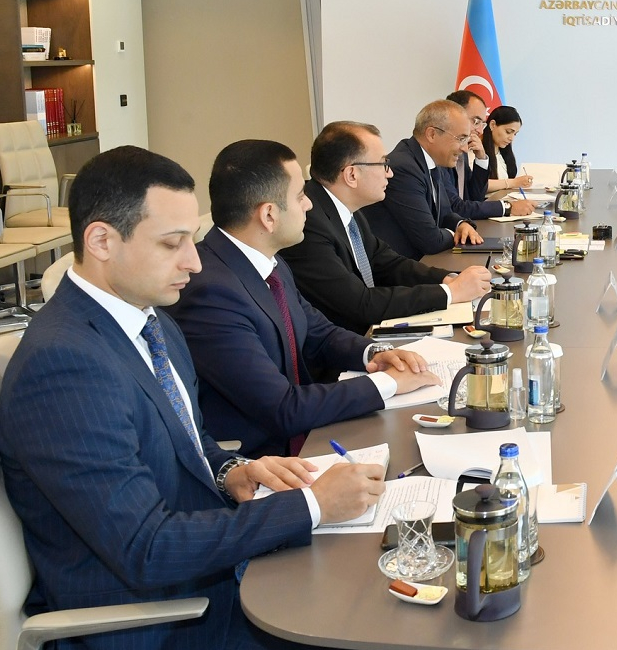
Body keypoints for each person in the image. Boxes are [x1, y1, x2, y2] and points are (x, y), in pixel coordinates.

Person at [0, 145, 429, 650]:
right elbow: (146, 548)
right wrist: (313, 505)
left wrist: (233, 471)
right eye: (172, 243)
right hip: (159, 632)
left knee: (384, 615)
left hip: (205, 577)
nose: (194, 262)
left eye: (191, 240)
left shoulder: (150, 321)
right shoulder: (64, 366)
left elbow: (193, 441)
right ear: (101, 241)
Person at [169, 140, 437, 458]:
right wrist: (388, 383)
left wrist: (376, 354)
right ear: (269, 215)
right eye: (300, 196)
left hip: (310, 427)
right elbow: (282, 408)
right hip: (270, 457)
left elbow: (319, 333)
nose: (309, 205)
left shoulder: (269, 261)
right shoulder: (211, 294)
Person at [279, 121, 491, 335]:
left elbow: (388, 263)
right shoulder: (310, 225)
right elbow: (360, 303)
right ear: (352, 175)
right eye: (383, 164)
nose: (389, 173)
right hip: (346, 341)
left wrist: (448, 279)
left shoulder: (347, 209)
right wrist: (450, 292)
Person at [366, 100, 486, 258]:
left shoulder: (433, 160)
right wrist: (454, 233)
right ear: (432, 134)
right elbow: (431, 240)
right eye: (461, 138)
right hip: (401, 266)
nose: (464, 148)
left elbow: (445, 213)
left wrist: (461, 224)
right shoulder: (404, 168)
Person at [439, 89, 536, 220]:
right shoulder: (440, 155)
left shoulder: (464, 153)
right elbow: (456, 207)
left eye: (482, 124)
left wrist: (481, 158)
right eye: (476, 122)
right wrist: (507, 207)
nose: (480, 131)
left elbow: (475, 197)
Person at [482, 105, 534, 198]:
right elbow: (479, 185)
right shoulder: (477, 152)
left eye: (515, 134)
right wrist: (513, 182)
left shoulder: (504, 153)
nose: (511, 138)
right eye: (508, 132)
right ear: (492, 125)